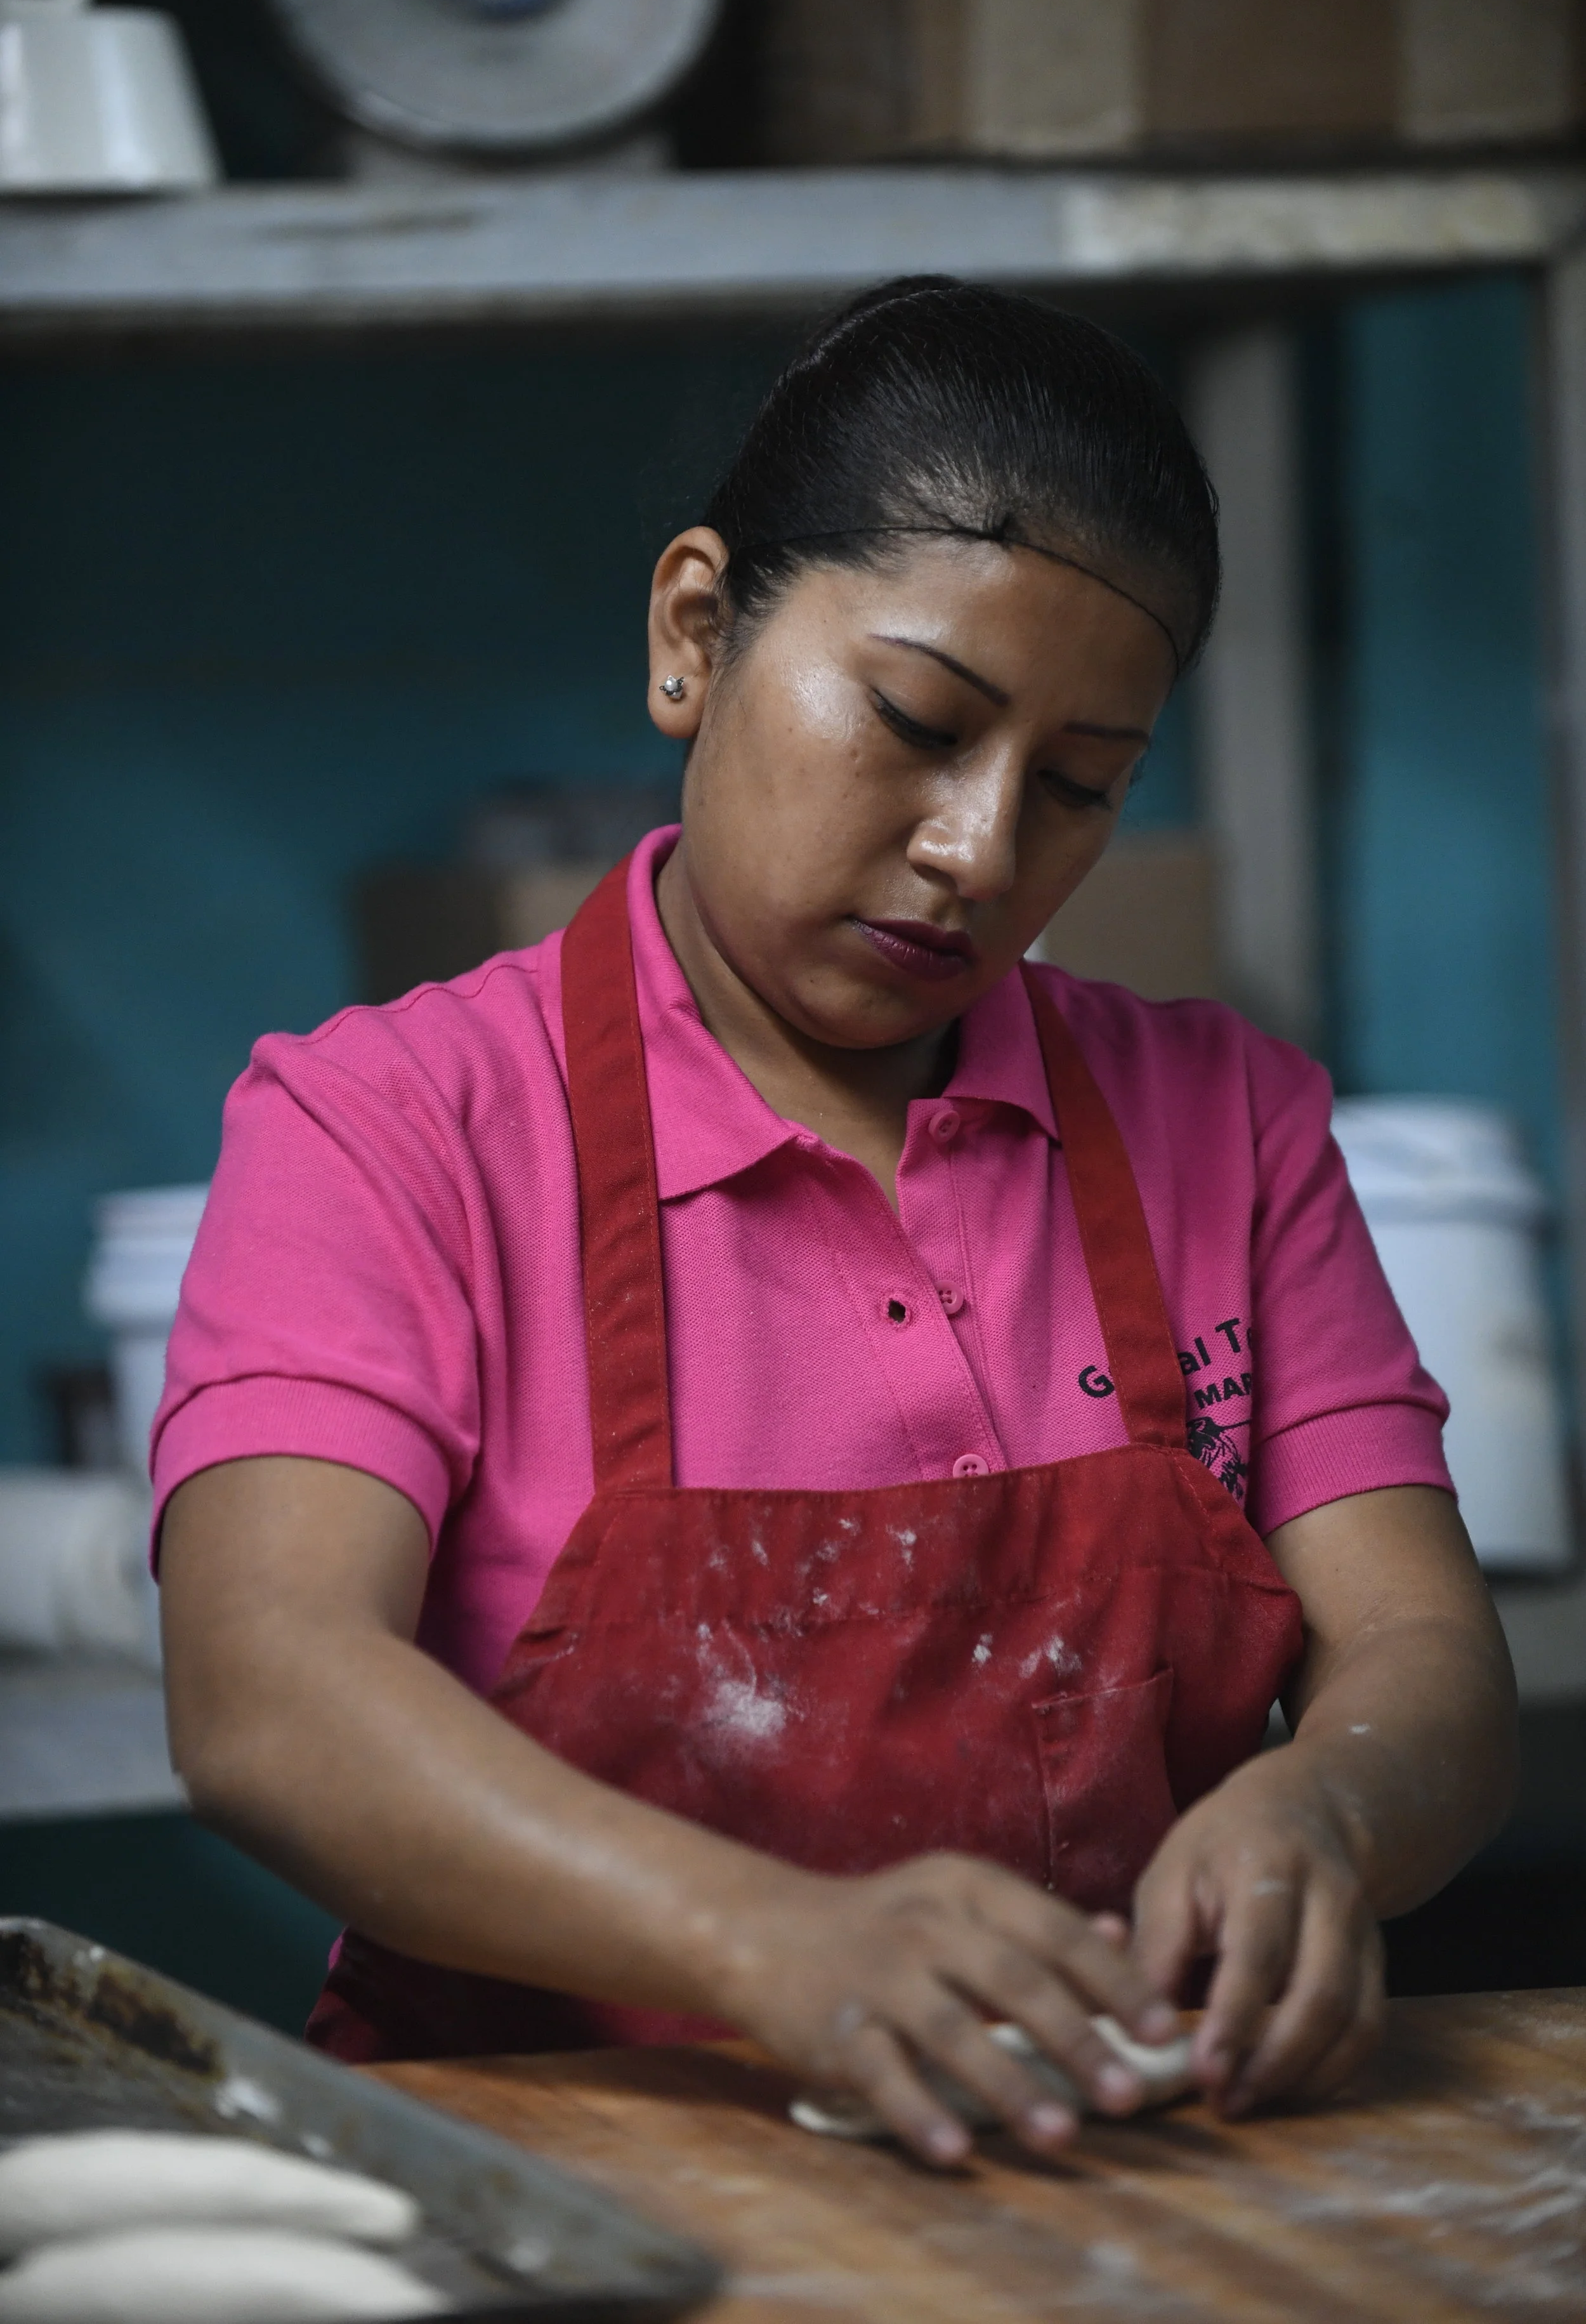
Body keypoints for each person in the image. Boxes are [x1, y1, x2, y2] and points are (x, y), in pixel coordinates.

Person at [156, 277, 1516, 2169]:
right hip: (560, 2186)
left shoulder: (1228, 1118)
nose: (976, 848)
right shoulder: (390, 1126)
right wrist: (770, 1941)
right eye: (913, 719)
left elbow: (1427, 1657)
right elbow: (266, 1694)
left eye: (1075, 788)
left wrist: (1328, 1815)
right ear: (694, 630)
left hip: (1096, 2178)